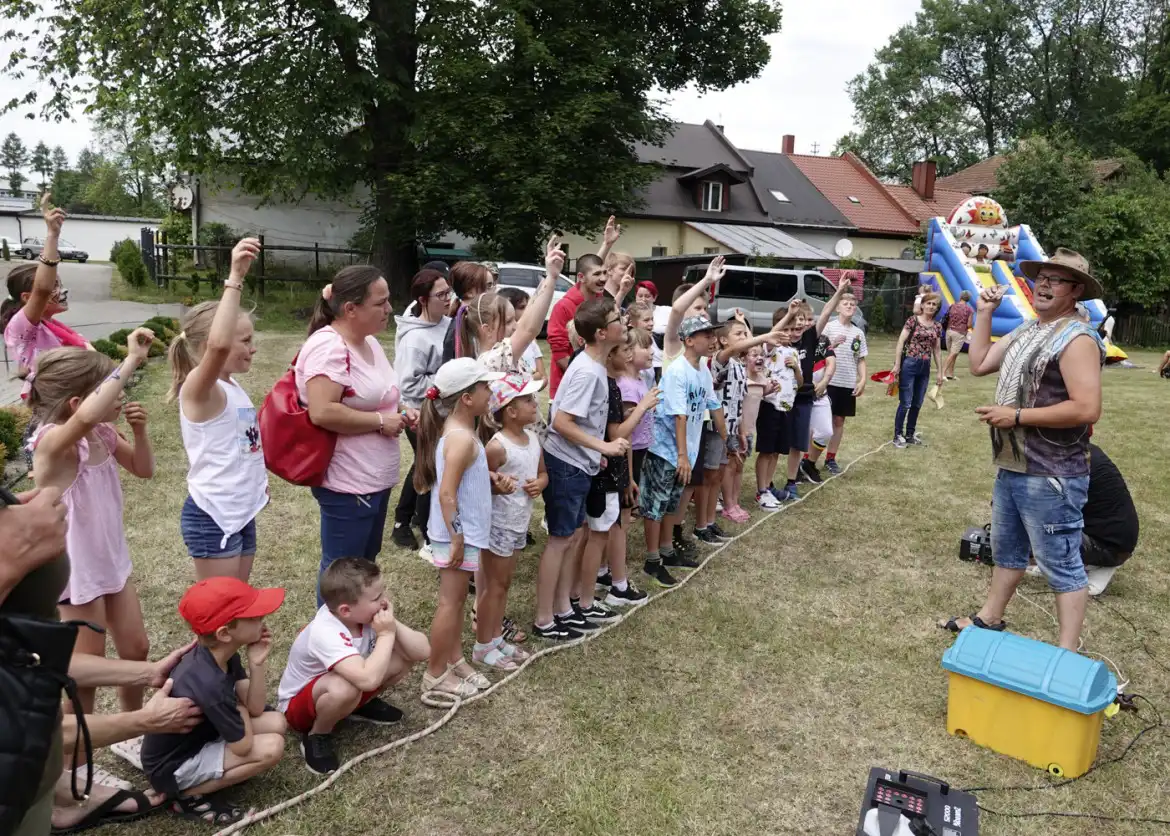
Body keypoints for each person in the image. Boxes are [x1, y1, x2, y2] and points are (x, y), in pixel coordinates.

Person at [939, 248, 1105, 651]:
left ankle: (1067, 652)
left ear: (1076, 291)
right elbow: (979, 363)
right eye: (1041, 278)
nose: (1043, 285)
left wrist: (1016, 416)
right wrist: (984, 314)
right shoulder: (1030, 329)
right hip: (1014, 463)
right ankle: (989, 618)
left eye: (1056, 280)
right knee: (1008, 550)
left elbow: (1087, 408)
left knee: (1061, 563)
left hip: (1052, 472)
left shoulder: (1077, 338)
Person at [30, 332, 156, 726]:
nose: (120, 396)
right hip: (77, 572)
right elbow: (85, 416)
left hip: (110, 560)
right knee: (87, 673)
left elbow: (144, 469)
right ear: (76, 403)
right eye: (111, 389)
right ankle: (78, 751)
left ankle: (132, 728)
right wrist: (132, 360)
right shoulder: (51, 445)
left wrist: (139, 433)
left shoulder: (102, 433)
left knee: (136, 649)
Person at [296, 266, 410, 607]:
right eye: (381, 302)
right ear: (350, 309)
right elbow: (322, 411)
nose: (389, 308)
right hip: (348, 485)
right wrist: (380, 422)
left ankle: (357, 630)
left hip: (373, 480)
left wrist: (401, 411)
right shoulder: (328, 347)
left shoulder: (369, 342)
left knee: (363, 566)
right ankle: (331, 636)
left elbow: (377, 394)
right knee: (343, 572)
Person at [140, 578, 287, 825]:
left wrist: (256, 664)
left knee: (277, 722)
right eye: (254, 616)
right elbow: (243, 746)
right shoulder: (210, 684)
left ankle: (206, 773)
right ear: (224, 633)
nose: (263, 618)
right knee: (272, 747)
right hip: (173, 767)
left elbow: (255, 708)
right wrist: (236, 705)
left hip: (201, 736)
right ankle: (185, 794)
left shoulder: (220, 654)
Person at [168, 239, 267, 582]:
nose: (253, 348)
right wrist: (235, 277)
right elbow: (220, 344)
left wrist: (257, 486)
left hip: (240, 511)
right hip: (213, 517)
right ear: (204, 346)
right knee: (222, 609)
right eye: (245, 341)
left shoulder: (231, 386)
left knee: (237, 604)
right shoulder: (200, 389)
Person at [278, 558, 429, 774]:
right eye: (376, 598)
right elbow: (368, 680)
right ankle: (317, 734)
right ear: (346, 611)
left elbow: (422, 652)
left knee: (402, 657)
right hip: (298, 709)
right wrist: (386, 634)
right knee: (345, 688)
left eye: (382, 592)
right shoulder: (326, 631)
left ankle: (357, 706)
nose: (385, 600)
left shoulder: (364, 615)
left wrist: (392, 624)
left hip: (351, 680)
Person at [536, 298, 629, 639]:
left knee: (572, 538)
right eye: (618, 319)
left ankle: (564, 609)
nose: (624, 322)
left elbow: (583, 420)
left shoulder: (595, 365)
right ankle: (544, 619)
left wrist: (593, 451)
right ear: (602, 333)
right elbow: (561, 422)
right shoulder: (588, 371)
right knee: (560, 541)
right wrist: (602, 446)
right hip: (566, 466)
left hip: (578, 463)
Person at [414, 358, 502, 698]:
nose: (490, 392)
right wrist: (458, 537)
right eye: (485, 387)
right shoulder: (462, 439)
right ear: (466, 398)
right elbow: (447, 493)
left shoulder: (463, 433)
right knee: (449, 604)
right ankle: (435, 673)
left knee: (457, 602)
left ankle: (454, 659)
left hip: (462, 532)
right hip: (455, 535)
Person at [575, 331, 658, 620]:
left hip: (617, 467)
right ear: (610, 355)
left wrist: (629, 476)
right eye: (625, 350)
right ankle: (596, 594)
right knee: (602, 531)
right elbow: (619, 433)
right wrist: (643, 407)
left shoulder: (613, 383)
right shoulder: (615, 387)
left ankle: (601, 584)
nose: (630, 354)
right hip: (604, 468)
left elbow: (627, 442)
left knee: (612, 526)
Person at [640, 316, 721, 588]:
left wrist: (729, 439)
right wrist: (682, 456)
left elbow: (713, 405)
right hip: (665, 450)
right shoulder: (677, 371)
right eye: (707, 335)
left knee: (671, 504)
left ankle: (667, 551)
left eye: (713, 335)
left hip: (683, 450)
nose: (713, 340)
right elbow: (679, 416)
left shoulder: (703, 371)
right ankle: (652, 560)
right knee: (656, 505)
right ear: (689, 340)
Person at [478, 374, 547, 669]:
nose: (535, 404)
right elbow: (479, 484)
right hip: (498, 525)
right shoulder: (497, 447)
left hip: (519, 522)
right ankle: (483, 645)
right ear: (511, 411)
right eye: (528, 400)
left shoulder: (533, 439)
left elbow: (542, 472)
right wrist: (497, 486)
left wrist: (540, 484)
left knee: (504, 584)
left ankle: (495, 638)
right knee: (493, 585)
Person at [1, 194, 91, 405]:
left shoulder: (51, 326)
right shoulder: (20, 328)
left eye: (59, 284)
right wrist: (52, 236)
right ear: (27, 298)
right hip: (55, 408)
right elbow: (42, 290)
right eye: (54, 286)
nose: (62, 291)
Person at [391, 268, 453, 553]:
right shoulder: (414, 339)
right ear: (423, 300)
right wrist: (447, 379)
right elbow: (408, 384)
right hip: (420, 414)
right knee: (427, 467)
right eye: (441, 294)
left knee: (426, 465)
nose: (447, 298)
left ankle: (412, 517)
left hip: (444, 412)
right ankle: (406, 523)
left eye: (448, 292)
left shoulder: (449, 325)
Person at [1025, 444, 1138, 597]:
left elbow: (1046, 511)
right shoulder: (1080, 450)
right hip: (1112, 538)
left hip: (1109, 546)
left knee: (1039, 523)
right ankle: (1057, 564)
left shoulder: (1071, 462)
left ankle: (1096, 566)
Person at [604, 328, 655, 607]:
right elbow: (623, 434)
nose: (651, 351)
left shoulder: (637, 380)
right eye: (644, 346)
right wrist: (629, 476)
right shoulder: (623, 386)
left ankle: (605, 570)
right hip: (623, 455)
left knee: (619, 516)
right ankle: (618, 584)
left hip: (633, 452)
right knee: (620, 520)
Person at [806, 279, 867, 476]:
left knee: (839, 420)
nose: (849, 307)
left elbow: (861, 359)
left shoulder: (858, 333)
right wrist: (833, 344)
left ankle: (831, 458)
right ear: (838, 308)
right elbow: (818, 351)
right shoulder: (829, 328)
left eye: (852, 304)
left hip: (846, 382)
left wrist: (862, 379)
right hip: (827, 381)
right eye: (845, 304)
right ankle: (808, 457)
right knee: (818, 420)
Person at [755, 312, 802, 508]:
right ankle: (761, 491)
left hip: (786, 407)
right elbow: (770, 338)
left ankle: (768, 486)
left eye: (792, 330)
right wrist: (789, 314)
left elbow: (800, 382)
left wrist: (796, 369)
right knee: (766, 450)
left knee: (776, 452)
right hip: (769, 405)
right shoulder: (769, 348)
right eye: (785, 329)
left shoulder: (794, 352)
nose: (788, 333)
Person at [891, 292, 945, 448]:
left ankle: (909, 434)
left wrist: (940, 372)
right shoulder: (912, 321)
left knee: (917, 403)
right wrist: (897, 364)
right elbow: (901, 342)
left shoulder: (937, 326)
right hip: (909, 364)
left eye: (934, 304)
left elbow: (937, 350)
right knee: (906, 402)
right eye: (928, 303)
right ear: (922, 305)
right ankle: (898, 435)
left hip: (925, 366)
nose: (931, 306)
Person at [441, 261, 495, 363]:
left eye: (493, 285)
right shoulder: (460, 327)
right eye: (488, 286)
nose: (494, 290)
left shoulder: (477, 320)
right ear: (470, 292)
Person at [496, 287, 547, 381]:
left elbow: (543, 377)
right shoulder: (497, 346)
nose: (528, 311)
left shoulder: (531, 340)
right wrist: (531, 378)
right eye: (522, 307)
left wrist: (522, 380)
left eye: (528, 306)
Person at [941, 290, 974, 380]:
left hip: (949, 331)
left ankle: (950, 374)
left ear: (960, 297)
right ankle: (943, 372)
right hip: (959, 333)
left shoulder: (952, 306)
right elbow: (969, 325)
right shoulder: (969, 310)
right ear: (969, 299)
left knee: (952, 354)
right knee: (953, 353)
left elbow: (947, 317)